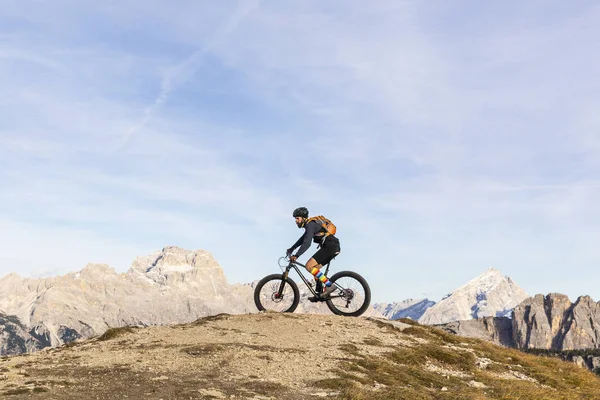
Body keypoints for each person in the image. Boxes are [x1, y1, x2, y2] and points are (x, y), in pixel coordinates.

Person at [286, 207, 340, 301]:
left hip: (330, 246)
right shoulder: (310, 226)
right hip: (333, 246)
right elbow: (303, 239)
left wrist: (296, 255)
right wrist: (292, 248)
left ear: (303, 218)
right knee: (315, 269)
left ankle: (329, 286)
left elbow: (307, 243)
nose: (296, 221)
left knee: (309, 266)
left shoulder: (310, 225)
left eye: (297, 218)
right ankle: (319, 294)